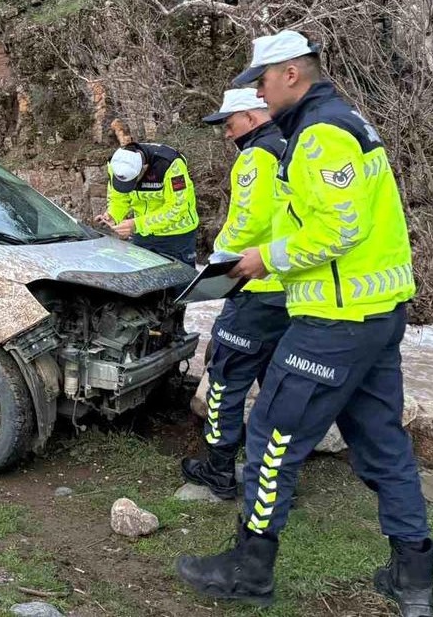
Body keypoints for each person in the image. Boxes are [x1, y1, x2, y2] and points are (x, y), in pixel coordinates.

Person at [174, 30, 433, 617]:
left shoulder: (320, 135)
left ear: (291, 73)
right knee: (384, 443)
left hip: (334, 320)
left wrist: (263, 259)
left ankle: (249, 568)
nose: (258, 96)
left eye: (261, 81)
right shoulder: (345, 122)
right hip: (377, 314)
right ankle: (413, 575)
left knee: (271, 437)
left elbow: (338, 231)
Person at [180, 88, 290, 500]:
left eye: (229, 124)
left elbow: (248, 220)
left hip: (254, 288)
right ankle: (275, 480)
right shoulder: (293, 145)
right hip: (291, 290)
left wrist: (216, 258)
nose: (227, 134)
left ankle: (219, 470)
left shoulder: (256, 156)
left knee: (226, 379)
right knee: (278, 386)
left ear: (249, 116)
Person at [95, 141, 198, 265]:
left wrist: (137, 224)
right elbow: (119, 198)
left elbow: (178, 207)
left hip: (177, 236)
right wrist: (112, 215)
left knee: (181, 281)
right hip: (142, 234)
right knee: (144, 278)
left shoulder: (170, 164)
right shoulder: (116, 164)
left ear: (144, 168)